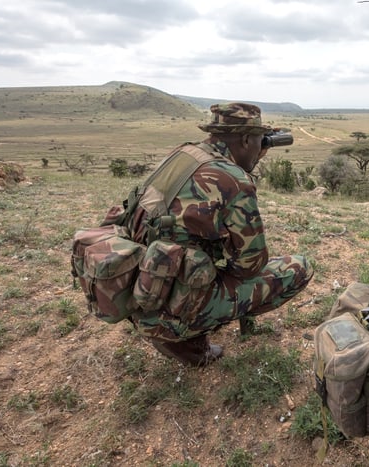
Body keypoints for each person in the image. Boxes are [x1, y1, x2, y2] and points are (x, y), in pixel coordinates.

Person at [125, 102, 313, 366]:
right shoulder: (234, 180)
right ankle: (185, 333)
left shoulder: (184, 154)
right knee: (299, 267)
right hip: (169, 306)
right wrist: (241, 171)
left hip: (139, 289)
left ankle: (180, 324)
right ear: (246, 139)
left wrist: (249, 156)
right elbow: (251, 265)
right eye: (259, 141)